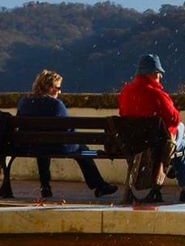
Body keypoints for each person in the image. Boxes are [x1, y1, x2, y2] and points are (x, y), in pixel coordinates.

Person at [17, 69, 118, 199]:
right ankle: (99, 185)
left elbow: (20, 126)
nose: (60, 91)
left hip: (29, 147)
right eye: (58, 88)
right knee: (83, 150)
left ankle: (45, 185)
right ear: (49, 87)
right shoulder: (56, 105)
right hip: (59, 148)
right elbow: (69, 131)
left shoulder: (24, 103)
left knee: (42, 147)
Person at [118, 53, 185, 203]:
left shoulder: (126, 92)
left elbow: (123, 114)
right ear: (152, 74)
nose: (160, 77)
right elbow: (175, 118)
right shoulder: (157, 94)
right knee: (181, 132)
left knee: (175, 142)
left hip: (132, 145)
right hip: (157, 146)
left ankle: (168, 175)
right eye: (159, 74)